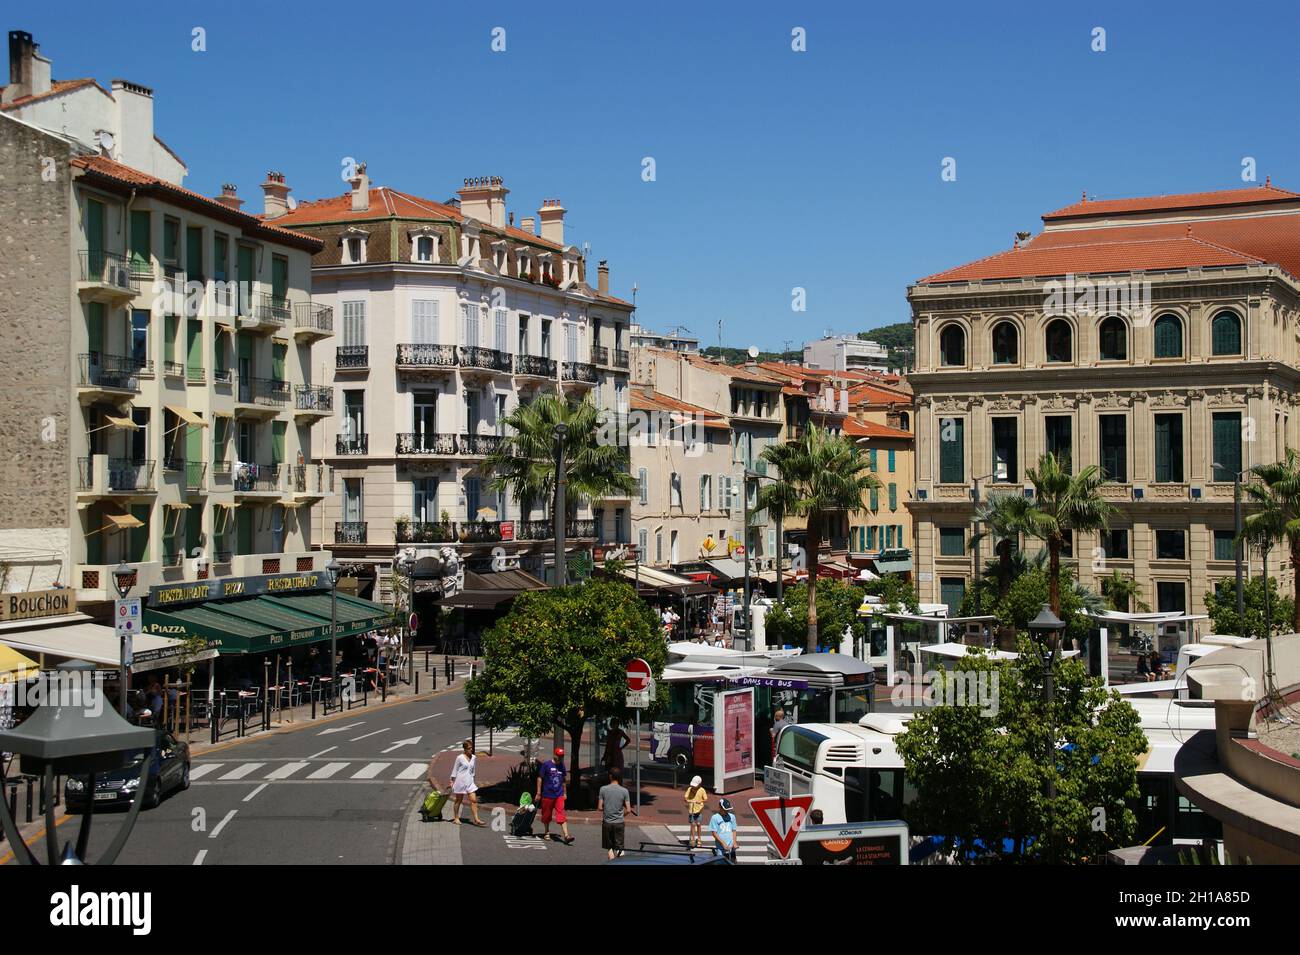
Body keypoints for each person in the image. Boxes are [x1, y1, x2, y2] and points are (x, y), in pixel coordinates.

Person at [535, 747, 574, 844]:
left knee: (561, 813)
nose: (560, 758)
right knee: (546, 814)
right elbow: (540, 778)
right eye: (559, 756)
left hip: (559, 794)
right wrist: (538, 793)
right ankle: (546, 832)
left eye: (562, 756)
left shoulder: (562, 765)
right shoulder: (546, 765)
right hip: (547, 794)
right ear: (554, 755)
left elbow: (563, 780)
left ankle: (566, 835)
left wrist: (565, 792)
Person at [598, 766, 632, 860]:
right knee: (620, 848)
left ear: (610, 776)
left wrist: (607, 809)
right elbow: (628, 810)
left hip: (607, 822)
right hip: (619, 823)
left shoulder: (603, 789)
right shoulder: (624, 791)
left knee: (609, 848)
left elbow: (600, 807)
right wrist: (621, 814)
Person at [449, 738, 484, 826]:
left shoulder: (474, 758)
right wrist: (451, 781)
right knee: (458, 800)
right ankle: (456, 818)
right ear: (465, 749)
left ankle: (476, 819)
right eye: (469, 748)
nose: (471, 749)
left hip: (470, 782)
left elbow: (473, 771)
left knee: (474, 800)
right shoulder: (459, 758)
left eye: (472, 747)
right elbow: (455, 770)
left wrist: (473, 780)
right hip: (460, 782)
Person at [684, 774, 708, 848]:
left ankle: (699, 838)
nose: (694, 787)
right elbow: (685, 797)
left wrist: (700, 801)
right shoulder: (689, 789)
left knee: (698, 824)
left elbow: (706, 799)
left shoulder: (702, 790)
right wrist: (687, 800)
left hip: (699, 810)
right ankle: (693, 839)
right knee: (692, 824)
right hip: (692, 810)